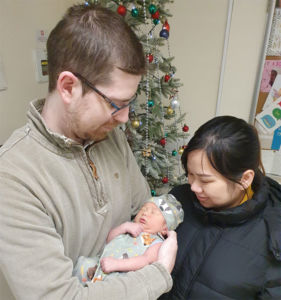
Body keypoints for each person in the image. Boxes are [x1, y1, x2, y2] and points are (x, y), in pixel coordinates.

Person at [0, 4, 178, 300]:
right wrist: (156, 274)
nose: (125, 117)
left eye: (130, 102)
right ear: (68, 87)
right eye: (116, 104)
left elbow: (141, 209)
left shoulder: (110, 136)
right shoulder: (13, 179)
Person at [160, 116, 281, 300]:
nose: (193, 187)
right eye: (190, 175)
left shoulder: (274, 237)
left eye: (205, 180)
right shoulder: (179, 199)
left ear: (245, 179)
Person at [73, 194, 184, 284]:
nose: (145, 213)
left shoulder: (157, 243)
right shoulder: (130, 227)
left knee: (111, 287)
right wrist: (124, 227)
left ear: (164, 229)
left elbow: (145, 260)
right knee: (83, 263)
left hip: (120, 274)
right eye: (143, 209)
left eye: (153, 212)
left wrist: (117, 264)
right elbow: (109, 241)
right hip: (100, 264)